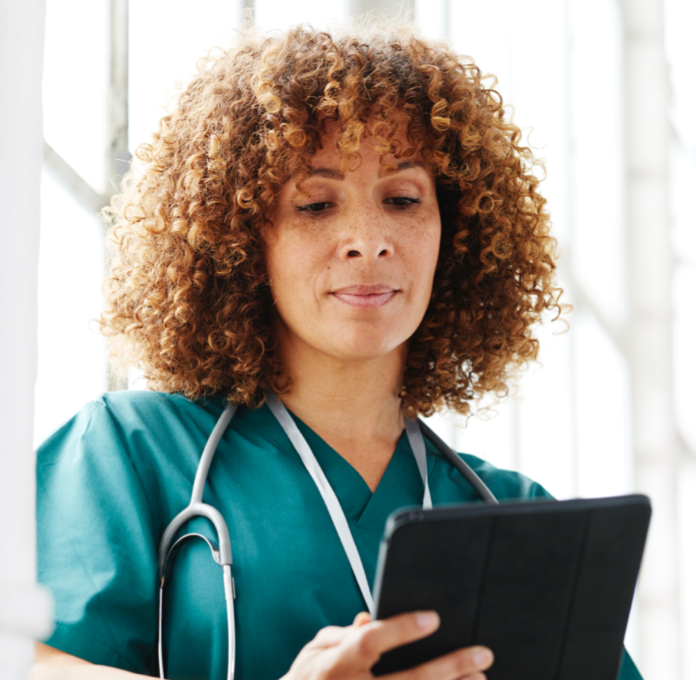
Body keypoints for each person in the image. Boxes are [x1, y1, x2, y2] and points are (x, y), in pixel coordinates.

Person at [32, 24, 642, 680]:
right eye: (316, 204)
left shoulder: (518, 520)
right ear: (240, 238)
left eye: (403, 199)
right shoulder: (131, 454)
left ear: (455, 231)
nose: (368, 240)